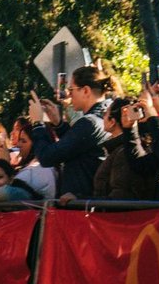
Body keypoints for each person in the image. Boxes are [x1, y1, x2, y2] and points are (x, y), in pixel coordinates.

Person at [29, 63, 115, 200]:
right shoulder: (105, 116)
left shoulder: (90, 122)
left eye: (71, 90)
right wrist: (59, 124)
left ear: (86, 91)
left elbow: (46, 157)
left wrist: (37, 124)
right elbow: (77, 148)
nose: (68, 95)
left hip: (82, 203)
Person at [92, 96, 159, 201]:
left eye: (105, 113)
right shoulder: (122, 149)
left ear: (112, 121)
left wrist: (84, 200)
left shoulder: (123, 153)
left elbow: (121, 194)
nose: (102, 117)